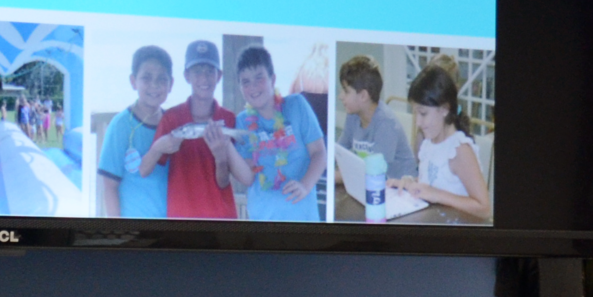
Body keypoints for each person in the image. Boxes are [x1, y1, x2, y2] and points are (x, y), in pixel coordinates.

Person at [141, 40, 238, 220]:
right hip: (182, 219)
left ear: (219, 75)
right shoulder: (171, 117)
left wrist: (220, 157)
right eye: (197, 71)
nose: (204, 78)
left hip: (222, 218)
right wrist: (158, 148)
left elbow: (224, 181)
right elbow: (144, 170)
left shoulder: (229, 118)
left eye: (210, 71)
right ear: (186, 75)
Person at [228, 45, 326, 224]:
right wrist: (226, 146)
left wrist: (305, 185)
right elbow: (248, 177)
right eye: (245, 82)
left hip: (304, 220)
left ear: (272, 79)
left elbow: (319, 153)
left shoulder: (297, 105)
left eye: (259, 78)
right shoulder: (241, 122)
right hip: (263, 223)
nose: (253, 87)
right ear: (240, 87)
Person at [389, 61, 489, 223]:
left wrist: (437, 195)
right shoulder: (429, 142)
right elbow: (430, 184)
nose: (418, 123)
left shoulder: (459, 149)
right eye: (416, 114)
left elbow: (484, 209)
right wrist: (410, 183)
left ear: (444, 109)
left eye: (423, 114)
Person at [96, 45, 174, 218]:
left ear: (171, 84)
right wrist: (118, 232)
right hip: (135, 230)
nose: (154, 85)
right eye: (146, 78)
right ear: (133, 81)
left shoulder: (174, 123)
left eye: (162, 79)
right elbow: (109, 186)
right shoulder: (120, 125)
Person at [330, 54, 414, 212]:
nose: (341, 96)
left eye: (346, 91)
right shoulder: (353, 116)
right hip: (371, 189)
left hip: (400, 195)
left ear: (363, 96)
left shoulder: (386, 124)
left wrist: (336, 177)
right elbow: (339, 150)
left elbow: (375, 174)